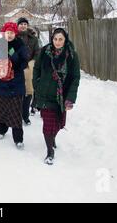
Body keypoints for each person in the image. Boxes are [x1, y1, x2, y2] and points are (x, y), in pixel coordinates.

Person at [33, 27, 80, 165]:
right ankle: (49, 151)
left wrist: (70, 98)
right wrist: (37, 84)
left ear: (65, 40)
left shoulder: (71, 55)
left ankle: (52, 138)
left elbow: (75, 77)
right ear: (52, 39)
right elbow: (36, 68)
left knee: (59, 123)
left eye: (60, 39)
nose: (57, 42)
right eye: (55, 39)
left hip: (61, 96)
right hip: (45, 93)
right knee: (48, 124)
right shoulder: (44, 52)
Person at [0, 22, 29, 149]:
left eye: (12, 32)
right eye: (7, 32)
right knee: (1, 108)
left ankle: (18, 138)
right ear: (3, 33)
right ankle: (1, 130)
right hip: (1, 82)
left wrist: (13, 57)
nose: (10, 35)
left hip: (15, 83)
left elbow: (24, 63)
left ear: (15, 33)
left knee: (15, 111)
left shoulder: (20, 45)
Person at [16, 17, 40, 125]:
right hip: (16, 67)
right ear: (18, 26)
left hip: (29, 68)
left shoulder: (33, 38)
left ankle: (25, 116)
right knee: (17, 93)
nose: (23, 26)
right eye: (21, 24)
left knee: (28, 92)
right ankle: (17, 115)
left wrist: (32, 62)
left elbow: (37, 52)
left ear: (27, 25)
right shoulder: (13, 37)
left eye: (25, 24)